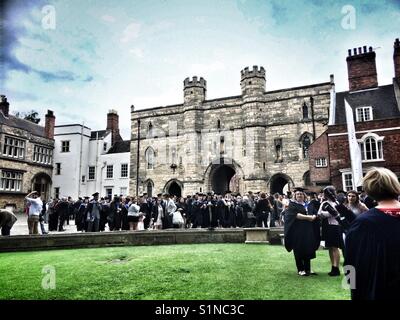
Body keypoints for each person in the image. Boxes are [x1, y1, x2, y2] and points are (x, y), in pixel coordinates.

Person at [345, 167, 400, 300]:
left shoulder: (363, 224)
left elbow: (351, 263)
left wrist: (352, 286)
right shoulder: (363, 223)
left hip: (380, 290)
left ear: (369, 191)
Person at [284, 188, 320, 276]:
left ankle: (308, 268)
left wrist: (315, 216)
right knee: (299, 248)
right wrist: (309, 217)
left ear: (304, 196)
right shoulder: (292, 205)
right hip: (298, 230)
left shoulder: (308, 204)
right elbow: (296, 215)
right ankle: (300, 269)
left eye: (301, 194)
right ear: (295, 196)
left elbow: (316, 213)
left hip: (308, 230)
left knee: (308, 247)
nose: (299, 195)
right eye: (297, 194)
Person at [317, 186, 344, 276]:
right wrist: (329, 213)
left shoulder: (337, 202)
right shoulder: (324, 203)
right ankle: (333, 266)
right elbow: (319, 213)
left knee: (335, 247)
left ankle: (336, 268)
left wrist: (330, 213)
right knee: (329, 247)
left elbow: (339, 213)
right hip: (327, 226)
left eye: (326, 193)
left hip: (336, 226)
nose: (324, 195)